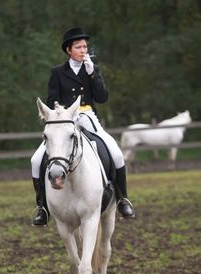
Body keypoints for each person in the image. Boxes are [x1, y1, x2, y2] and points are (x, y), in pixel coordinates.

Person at [31, 27, 135, 226]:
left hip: (87, 115)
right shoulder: (57, 72)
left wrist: (93, 74)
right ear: (69, 50)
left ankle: (122, 199)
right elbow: (52, 99)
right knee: (36, 160)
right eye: (78, 47)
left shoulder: (92, 70)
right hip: (63, 119)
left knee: (117, 154)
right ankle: (42, 207)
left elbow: (102, 98)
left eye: (85, 47)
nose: (83, 50)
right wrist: (63, 113)